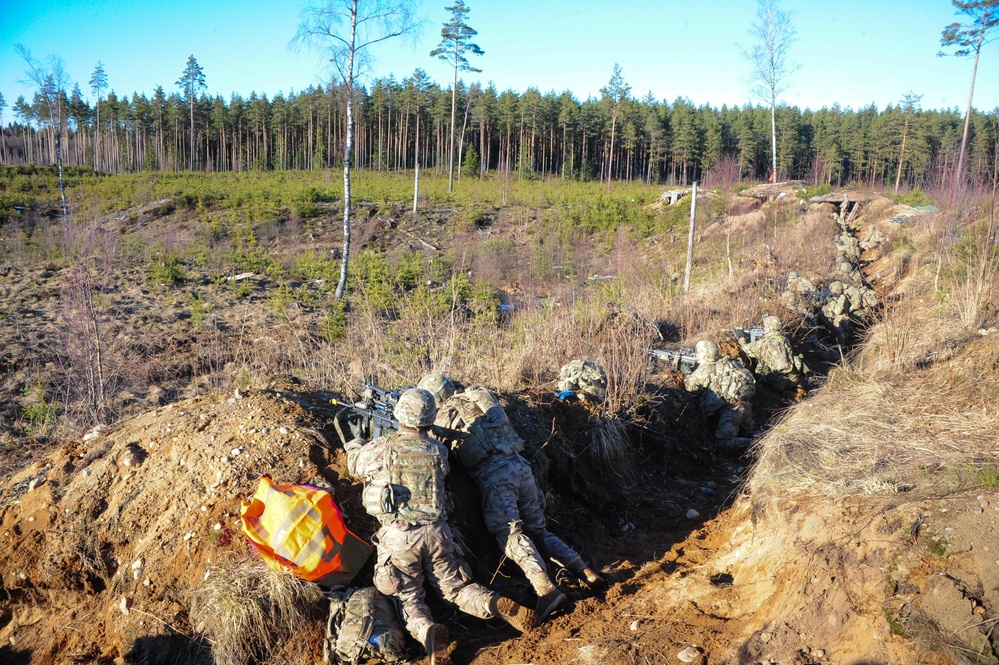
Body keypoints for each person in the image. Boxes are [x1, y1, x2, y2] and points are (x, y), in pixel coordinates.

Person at [346, 388, 537, 665]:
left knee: (407, 597)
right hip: (439, 532)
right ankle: (492, 604)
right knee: (458, 589)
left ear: (400, 413)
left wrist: (354, 443)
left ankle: (427, 631)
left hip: (400, 537)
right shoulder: (439, 450)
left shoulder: (381, 447)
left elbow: (355, 465)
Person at [417, 374, 606, 622]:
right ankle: (584, 570)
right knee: (538, 530)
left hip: (496, 477)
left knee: (510, 534)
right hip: (521, 465)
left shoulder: (445, 416)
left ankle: (546, 590)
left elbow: (435, 452)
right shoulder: (480, 395)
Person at [683, 340, 756, 452]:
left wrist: (687, 373)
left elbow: (691, 388)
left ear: (704, 354)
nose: (696, 354)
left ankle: (761, 445)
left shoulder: (706, 368)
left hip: (732, 409)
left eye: (698, 352)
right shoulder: (729, 362)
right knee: (748, 432)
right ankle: (761, 437)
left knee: (724, 442)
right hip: (745, 404)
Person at [737, 315, 810, 397]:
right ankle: (798, 387)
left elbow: (746, 349)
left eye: (765, 327)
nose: (764, 329)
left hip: (779, 383)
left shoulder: (765, 342)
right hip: (795, 377)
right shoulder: (785, 339)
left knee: (758, 371)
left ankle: (790, 394)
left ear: (770, 328)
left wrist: (741, 337)